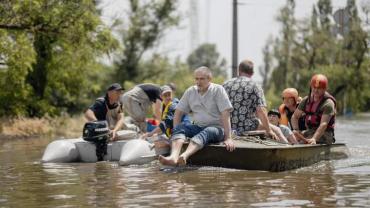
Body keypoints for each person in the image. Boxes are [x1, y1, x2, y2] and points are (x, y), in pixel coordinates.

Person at [159, 66, 235, 166]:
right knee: (180, 127)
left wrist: (228, 138)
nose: (199, 82)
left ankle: (185, 155)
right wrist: (175, 133)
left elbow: (226, 114)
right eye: (197, 79)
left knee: (208, 131)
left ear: (209, 79)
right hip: (198, 127)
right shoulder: (190, 91)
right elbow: (178, 112)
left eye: (202, 79)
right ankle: (173, 157)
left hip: (217, 129)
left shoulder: (218, 90)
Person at [223, 59, 287, 143]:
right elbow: (261, 110)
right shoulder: (254, 85)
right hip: (248, 126)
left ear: (239, 71)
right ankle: (288, 152)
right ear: (252, 73)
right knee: (277, 130)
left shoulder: (225, 84)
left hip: (227, 126)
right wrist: (269, 130)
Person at [291, 74, 336, 144]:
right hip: (310, 131)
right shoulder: (306, 100)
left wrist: (314, 138)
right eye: (314, 87)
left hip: (325, 133)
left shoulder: (328, 103)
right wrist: (296, 130)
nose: (316, 90)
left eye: (319, 88)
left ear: (324, 89)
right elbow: (295, 117)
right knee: (291, 137)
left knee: (304, 141)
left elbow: (323, 124)